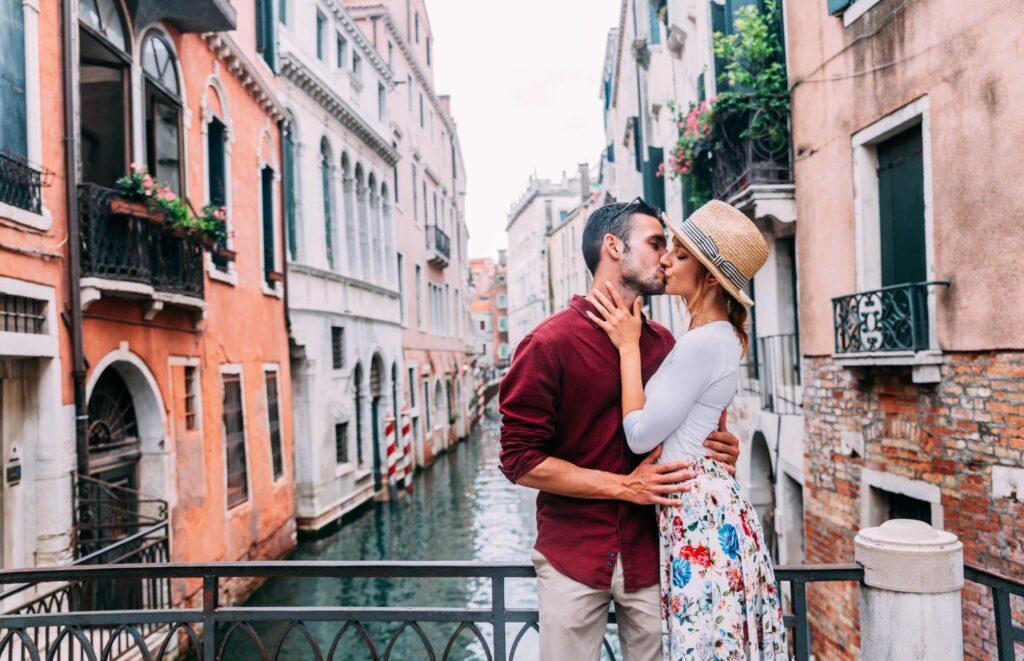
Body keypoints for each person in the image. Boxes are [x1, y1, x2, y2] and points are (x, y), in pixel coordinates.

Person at [498, 198, 742, 660]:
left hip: (654, 553)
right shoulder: (547, 345)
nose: (666, 257)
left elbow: (701, 432)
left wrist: (723, 448)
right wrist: (624, 487)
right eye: (655, 244)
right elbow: (519, 460)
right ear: (613, 247)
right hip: (573, 555)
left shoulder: (668, 344)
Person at [587, 199, 787, 659]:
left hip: (697, 507)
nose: (664, 260)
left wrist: (628, 348)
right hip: (701, 500)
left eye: (678, 256)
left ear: (710, 277)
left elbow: (639, 436)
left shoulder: (702, 343)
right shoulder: (713, 339)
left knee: (704, 642)